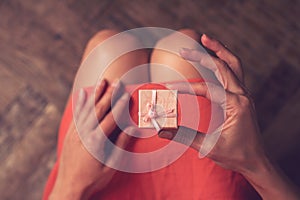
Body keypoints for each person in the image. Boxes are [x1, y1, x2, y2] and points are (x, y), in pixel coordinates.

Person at [44, 29, 300, 200]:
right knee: (181, 46)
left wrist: (69, 186)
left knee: (110, 47)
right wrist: (255, 164)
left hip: (88, 188)